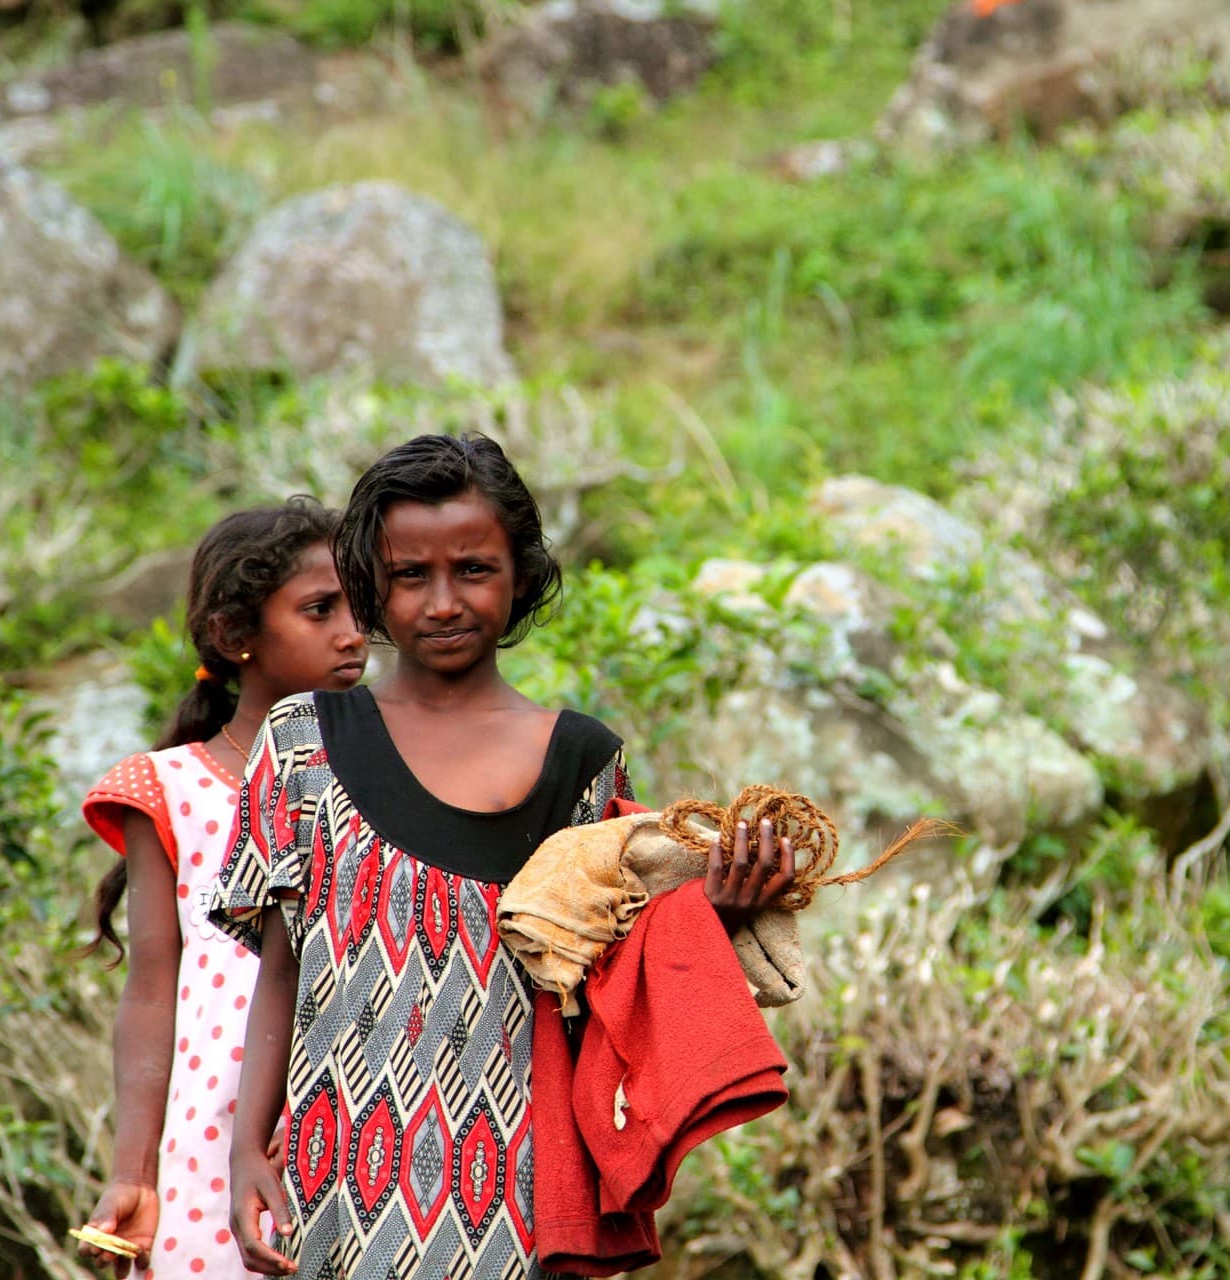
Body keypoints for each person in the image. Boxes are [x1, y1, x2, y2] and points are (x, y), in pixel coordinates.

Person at [209, 434, 797, 1279]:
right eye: (411, 575)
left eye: (474, 570)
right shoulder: (305, 741)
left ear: (521, 574)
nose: (443, 602)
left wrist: (718, 912)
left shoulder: (580, 761)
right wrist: (245, 1154)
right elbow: (282, 969)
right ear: (371, 585)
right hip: (334, 1171)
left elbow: (608, 972)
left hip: (513, 1179)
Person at [77, 499, 369, 1279]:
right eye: (320, 610)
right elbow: (149, 989)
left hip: (367, 1099)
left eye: (359, 605)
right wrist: (134, 1171)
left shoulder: (389, 773)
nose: (354, 631)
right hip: (211, 1124)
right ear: (236, 637)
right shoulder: (167, 788)